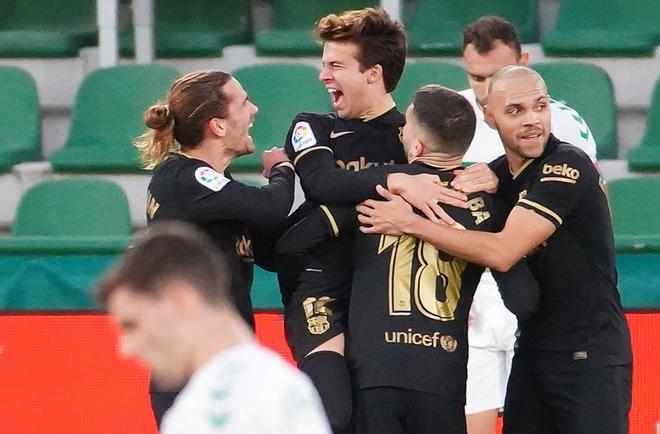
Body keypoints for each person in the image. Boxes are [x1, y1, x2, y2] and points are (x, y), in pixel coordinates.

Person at [357, 66, 632, 434]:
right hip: (534, 351)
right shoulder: (497, 174)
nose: (533, 120)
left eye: (539, 106)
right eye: (515, 111)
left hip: (591, 356)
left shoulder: (567, 164)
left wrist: (409, 223)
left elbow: (503, 251)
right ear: (489, 116)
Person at [278, 8, 497, 432]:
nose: (323, 76)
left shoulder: (413, 134)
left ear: (373, 73)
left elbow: (449, 195)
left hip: (382, 306)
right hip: (320, 291)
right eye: (324, 64)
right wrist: (397, 178)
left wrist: (494, 174)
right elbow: (322, 182)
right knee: (332, 411)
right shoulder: (312, 125)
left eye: (335, 66)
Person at [458, 16, 598, 434]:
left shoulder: (561, 123)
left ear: (524, 61)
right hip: (477, 300)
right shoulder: (452, 115)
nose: (485, 89)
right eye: (476, 77)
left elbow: (587, 203)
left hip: (534, 292)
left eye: (496, 75)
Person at [134, 70, 296, 426]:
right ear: (218, 126)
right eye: (243, 102)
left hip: (223, 367)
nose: (253, 110)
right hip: (195, 369)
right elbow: (270, 207)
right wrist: (282, 170)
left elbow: (271, 247)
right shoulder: (185, 177)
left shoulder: (216, 190)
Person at [96, 222, 331, 434]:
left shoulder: (214, 409)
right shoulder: (282, 381)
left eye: (133, 324)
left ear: (180, 300)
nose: (126, 348)